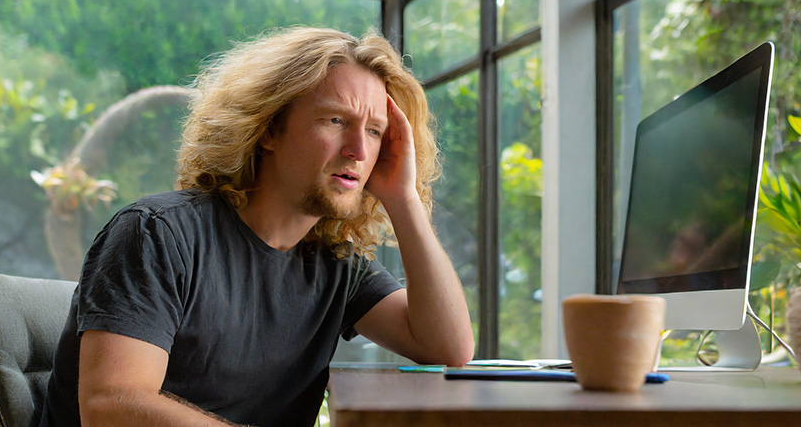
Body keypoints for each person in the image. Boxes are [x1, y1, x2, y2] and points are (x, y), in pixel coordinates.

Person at [38, 27, 474, 427]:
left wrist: (405, 199)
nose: (359, 150)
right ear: (268, 128)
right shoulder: (156, 234)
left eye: (376, 131)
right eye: (336, 121)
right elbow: (110, 405)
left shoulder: (336, 261)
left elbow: (447, 349)